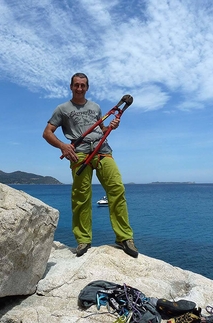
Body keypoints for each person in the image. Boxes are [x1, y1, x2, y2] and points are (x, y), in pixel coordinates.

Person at [42, 72, 138, 258]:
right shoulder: (62, 109)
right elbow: (47, 132)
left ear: (87, 87)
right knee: (81, 197)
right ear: (71, 87)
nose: (79, 88)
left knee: (117, 189)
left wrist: (111, 126)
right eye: (76, 85)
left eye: (83, 85)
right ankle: (83, 240)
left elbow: (100, 129)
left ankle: (124, 237)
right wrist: (62, 146)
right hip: (79, 154)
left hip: (103, 150)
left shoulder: (95, 107)